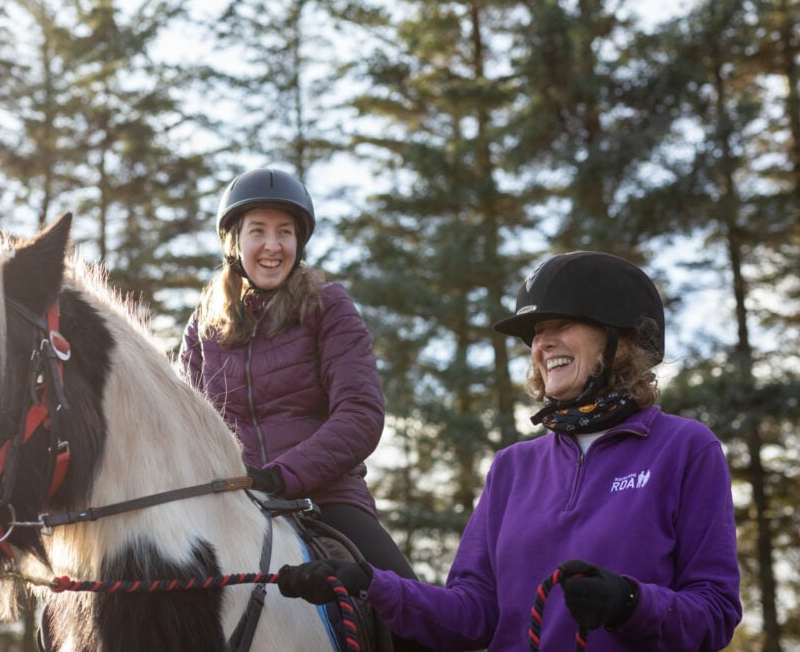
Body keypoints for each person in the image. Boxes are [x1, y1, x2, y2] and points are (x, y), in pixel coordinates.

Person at [277, 251, 743, 651]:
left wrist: (629, 603)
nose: (542, 343)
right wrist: (368, 583)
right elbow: (472, 614)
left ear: (619, 338)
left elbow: (716, 612)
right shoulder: (513, 468)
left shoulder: (685, 448)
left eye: (562, 325)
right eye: (537, 332)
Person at [178, 166, 427, 651]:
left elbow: (360, 414)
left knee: (416, 620)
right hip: (229, 507)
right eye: (258, 232)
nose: (273, 246)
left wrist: (281, 475)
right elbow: (182, 429)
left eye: (285, 233)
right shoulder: (202, 327)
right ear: (234, 242)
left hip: (326, 501)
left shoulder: (329, 306)